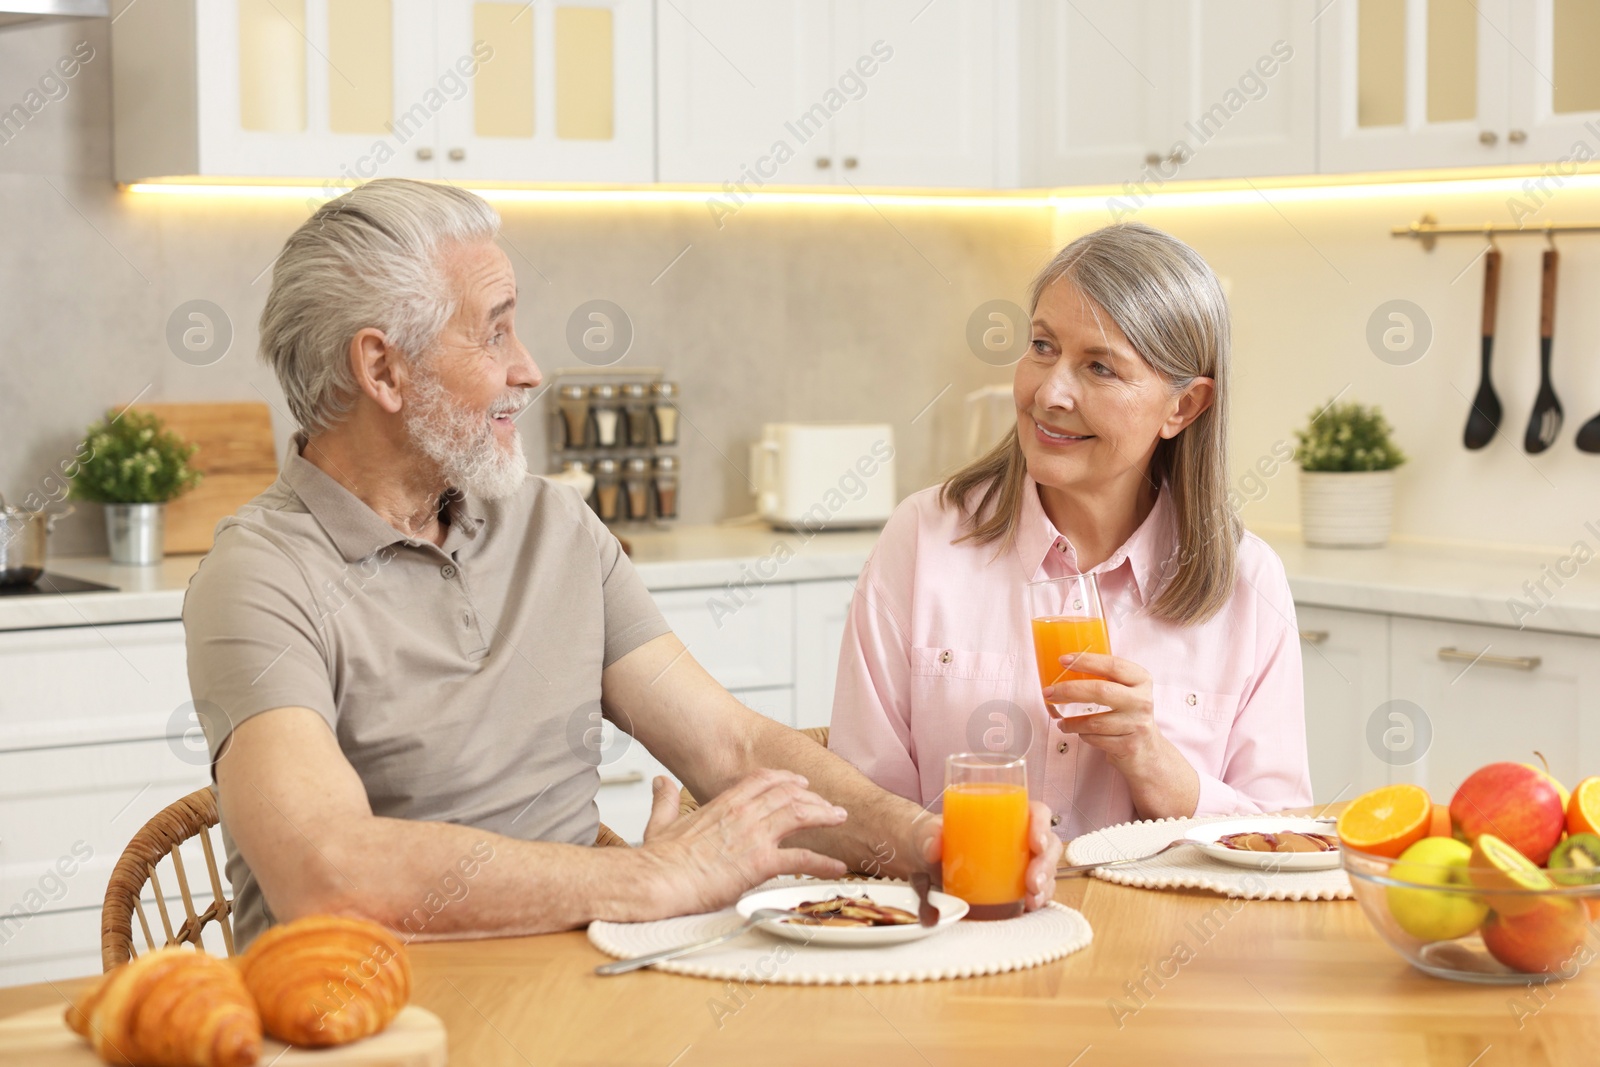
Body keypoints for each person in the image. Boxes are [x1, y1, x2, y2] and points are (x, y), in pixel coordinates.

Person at [182, 178, 1063, 947]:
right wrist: (649, 880)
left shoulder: (554, 525)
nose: (529, 370)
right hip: (373, 1022)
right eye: (494, 335)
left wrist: (921, 839)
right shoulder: (259, 577)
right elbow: (326, 870)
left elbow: (729, 743)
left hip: (581, 989)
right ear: (382, 368)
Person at [829, 221, 1312, 837]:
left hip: (1167, 934)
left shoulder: (1249, 583)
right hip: (969, 925)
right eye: (1042, 346)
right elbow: (861, 808)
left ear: (1182, 407)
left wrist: (1155, 763)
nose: (1049, 392)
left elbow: (1285, 840)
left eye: (1101, 368)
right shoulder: (924, 540)